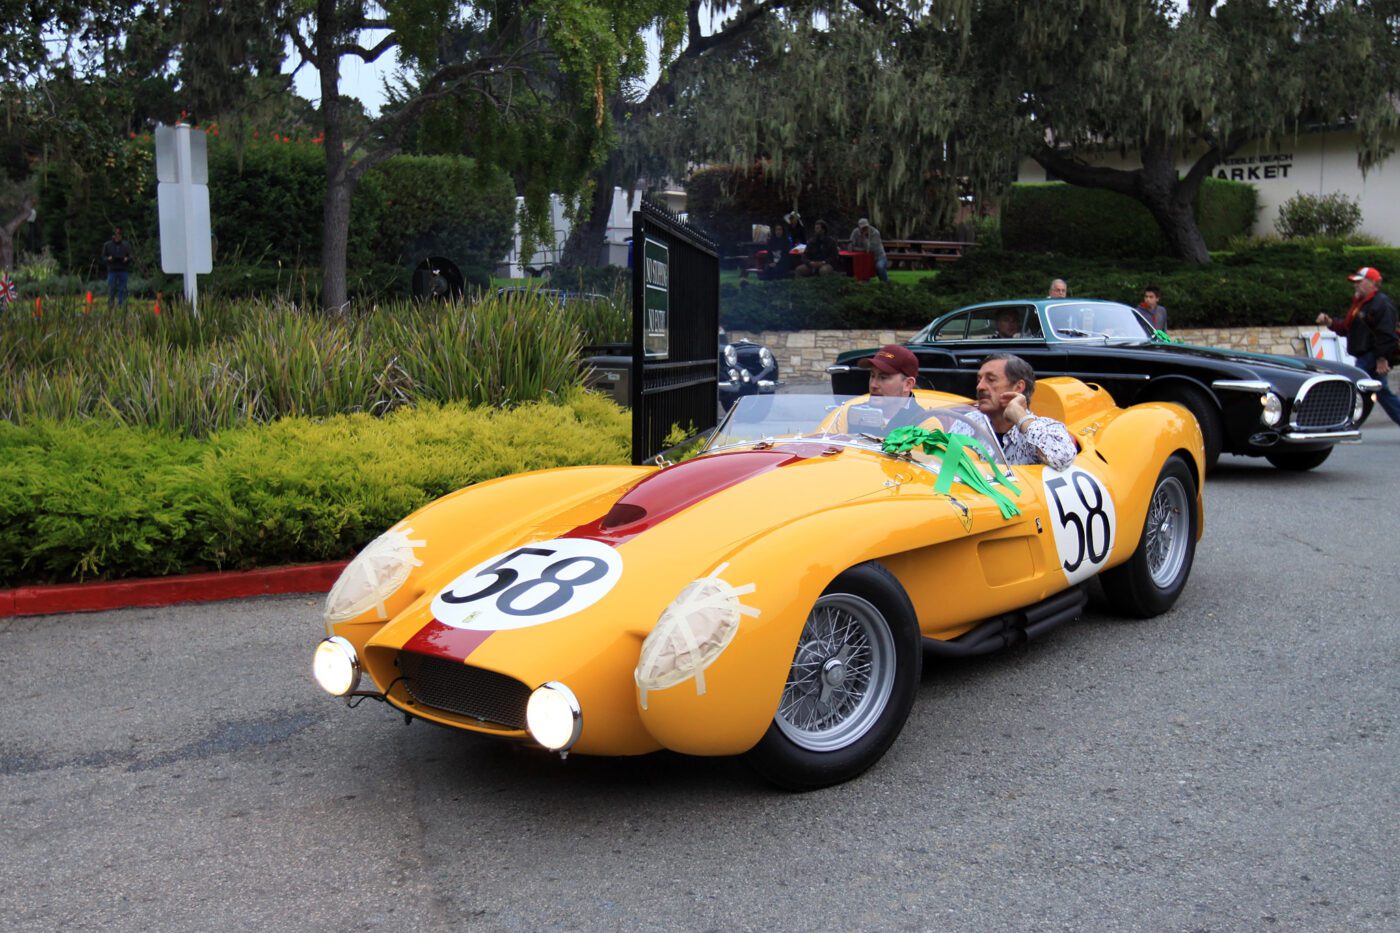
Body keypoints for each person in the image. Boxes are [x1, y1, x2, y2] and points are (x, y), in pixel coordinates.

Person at [1317, 266, 1400, 427]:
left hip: (1371, 356)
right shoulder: (1360, 305)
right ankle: (1347, 426)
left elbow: (1387, 334)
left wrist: (1382, 358)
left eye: (1359, 282)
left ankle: (1344, 426)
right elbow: (1346, 329)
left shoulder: (1381, 303)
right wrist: (1330, 322)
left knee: (1354, 391)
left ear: (1372, 283)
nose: (1355, 285)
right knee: (1379, 392)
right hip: (1367, 356)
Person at [966, 353, 1077, 470]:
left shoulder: (1048, 428)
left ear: (1018, 388)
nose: (980, 386)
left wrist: (1021, 418)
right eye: (979, 380)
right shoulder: (967, 422)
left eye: (991, 380)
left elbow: (1063, 460)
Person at [849, 218, 889, 283]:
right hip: (862, 258)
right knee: (856, 268)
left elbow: (869, 249)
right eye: (863, 228)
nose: (865, 229)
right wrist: (858, 249)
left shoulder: (875, 233)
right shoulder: (855, 232)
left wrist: (865, 238)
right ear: (859, 227)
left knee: (880, 267)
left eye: (866, 227)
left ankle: (885, 283)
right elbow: (850, 245)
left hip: (878, 257)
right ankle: (865, 284)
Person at [102, 227, 132, 308]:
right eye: (116, 235)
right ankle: (111, 304)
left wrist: (127, 259)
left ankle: (121, 305)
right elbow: (103, 257)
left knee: (122, 288)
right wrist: (108, 258)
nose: (117, 236)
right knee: (111, 288)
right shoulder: (107, 245)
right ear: (113, 236)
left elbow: (130, 257)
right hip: (112, 270)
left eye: (119, 235)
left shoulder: (126, 245)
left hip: (123, 270)